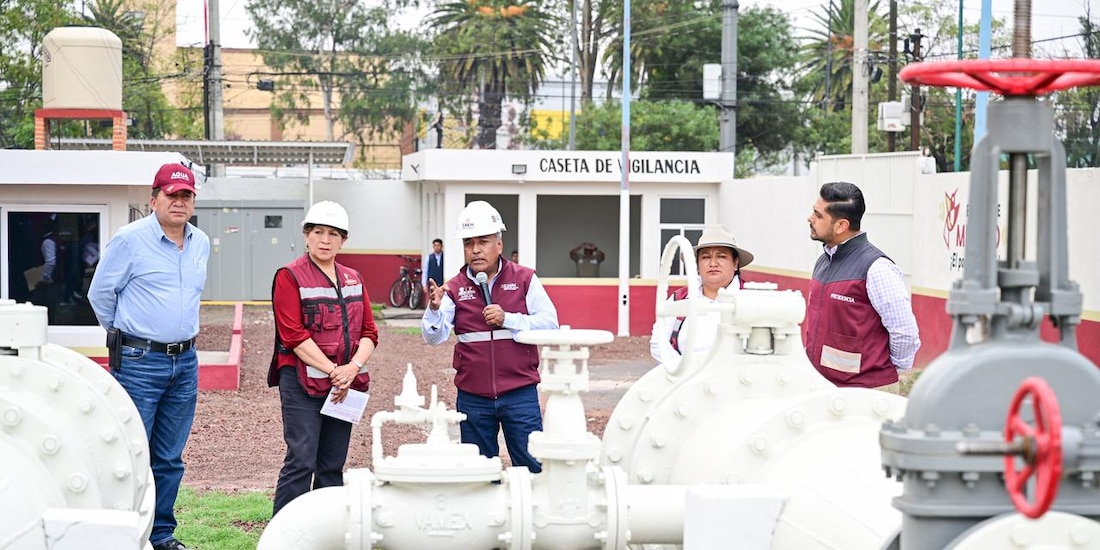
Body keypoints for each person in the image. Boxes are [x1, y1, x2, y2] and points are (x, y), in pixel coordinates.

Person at [88, 162, 210, 550]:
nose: (179, 201)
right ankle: (122, 532)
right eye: (171, 194)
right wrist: (127, 336)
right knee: (129, 452)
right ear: (153, 199)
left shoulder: (201, 243)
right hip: (140, 362)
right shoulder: (129, 240)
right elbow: (100, 296)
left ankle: (160, 535)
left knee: (170, 457)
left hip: (185, 363)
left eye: (186, 195)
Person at [421, 200, 559, 473]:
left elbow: (550, 325)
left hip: (520, 393)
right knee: (479, 473)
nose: (475, 250)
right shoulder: (454, 287)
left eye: (483, 241)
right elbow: (433, 338)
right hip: (473, 397)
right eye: (468, 243)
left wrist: (508, 318)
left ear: (499, 244)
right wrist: (434, 309)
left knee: (532, 468)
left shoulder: (525, 279)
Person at [268, 200, 378, 516]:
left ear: (344, 240)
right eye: (318, 232)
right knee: (302, 460)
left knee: (332, 464)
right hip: (302, 385)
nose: (325, 240)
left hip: (346, 387)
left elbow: (370, 332)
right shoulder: (289, 276)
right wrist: (335, 371)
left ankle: (325, 531)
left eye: (333, 233)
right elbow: (293, 336)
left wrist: (352, 369)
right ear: (306, 235)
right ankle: (285, 533)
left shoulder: (354, 278)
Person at [804, 181, 921, 392]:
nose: (810, 219)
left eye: (818, 215)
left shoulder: (877, 268)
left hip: (867, 393)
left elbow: (905, 333)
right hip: (825, 387)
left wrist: (883, 372)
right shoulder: (824, 261)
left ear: (841, 225)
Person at [649, 225, 754, 361]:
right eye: (705, 257)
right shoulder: (679, 299)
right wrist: (683, 370)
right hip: (687, 377)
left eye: (721, 256)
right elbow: (658, 343)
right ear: (697, 265)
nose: (713, 263)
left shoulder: (751, 298)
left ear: (735, 263)